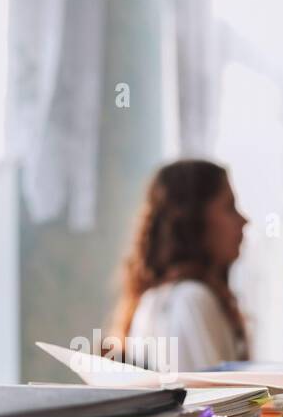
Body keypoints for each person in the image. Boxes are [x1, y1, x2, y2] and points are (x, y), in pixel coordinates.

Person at [107, 159, 249, 372]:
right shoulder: (192, 299)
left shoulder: (151, 300)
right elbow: (214, 405)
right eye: (229, 207)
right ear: (195, 219)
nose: (243, 220)